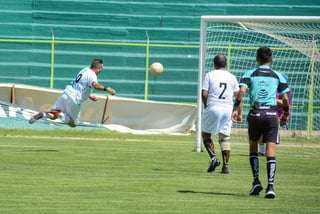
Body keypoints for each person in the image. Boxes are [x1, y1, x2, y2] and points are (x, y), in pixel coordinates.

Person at [232, 46, 290, 199]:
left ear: (257, 58)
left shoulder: (250, 73)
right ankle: (270, 187)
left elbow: (242, 91)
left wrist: (235, 109)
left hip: (256, 113)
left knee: (253, 147)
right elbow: (285, 99)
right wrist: (286, 114)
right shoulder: (278, 75)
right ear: (271, 58)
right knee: (270, 151)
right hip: (271, 114)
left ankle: (256, 181)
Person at [29, 58, 116, 127]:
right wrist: (107, 88)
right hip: (74, 100)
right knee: (73, 123)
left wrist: (89, 95)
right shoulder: (92, 75)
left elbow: (82, 85)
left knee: (54, 115)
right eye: (101, 69)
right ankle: (60, 115)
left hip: (66, 94)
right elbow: (95, 85)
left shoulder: (84, 70)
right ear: (98, 69)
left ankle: (43, 114)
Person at [201, 53, 241, 174]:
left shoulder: (209, 75)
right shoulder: (232, 77)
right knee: (224, 138)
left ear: (214, 64)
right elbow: (239, 95)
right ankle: (225, 166)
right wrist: (238, 112)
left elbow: (204, 94)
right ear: (226, 64)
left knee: (206, 135)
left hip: (214, 106)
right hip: (227, 109)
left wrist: (207, 105)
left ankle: (214, 158)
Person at [259, 73, 293, 156]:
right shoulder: (273, 88)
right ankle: (262, 151)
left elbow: (285, 103)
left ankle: (269, 152)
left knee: (271, 135)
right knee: (261, 132)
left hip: (280, 114)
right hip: (269, 112)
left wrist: (272, 99)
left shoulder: (287, 91)